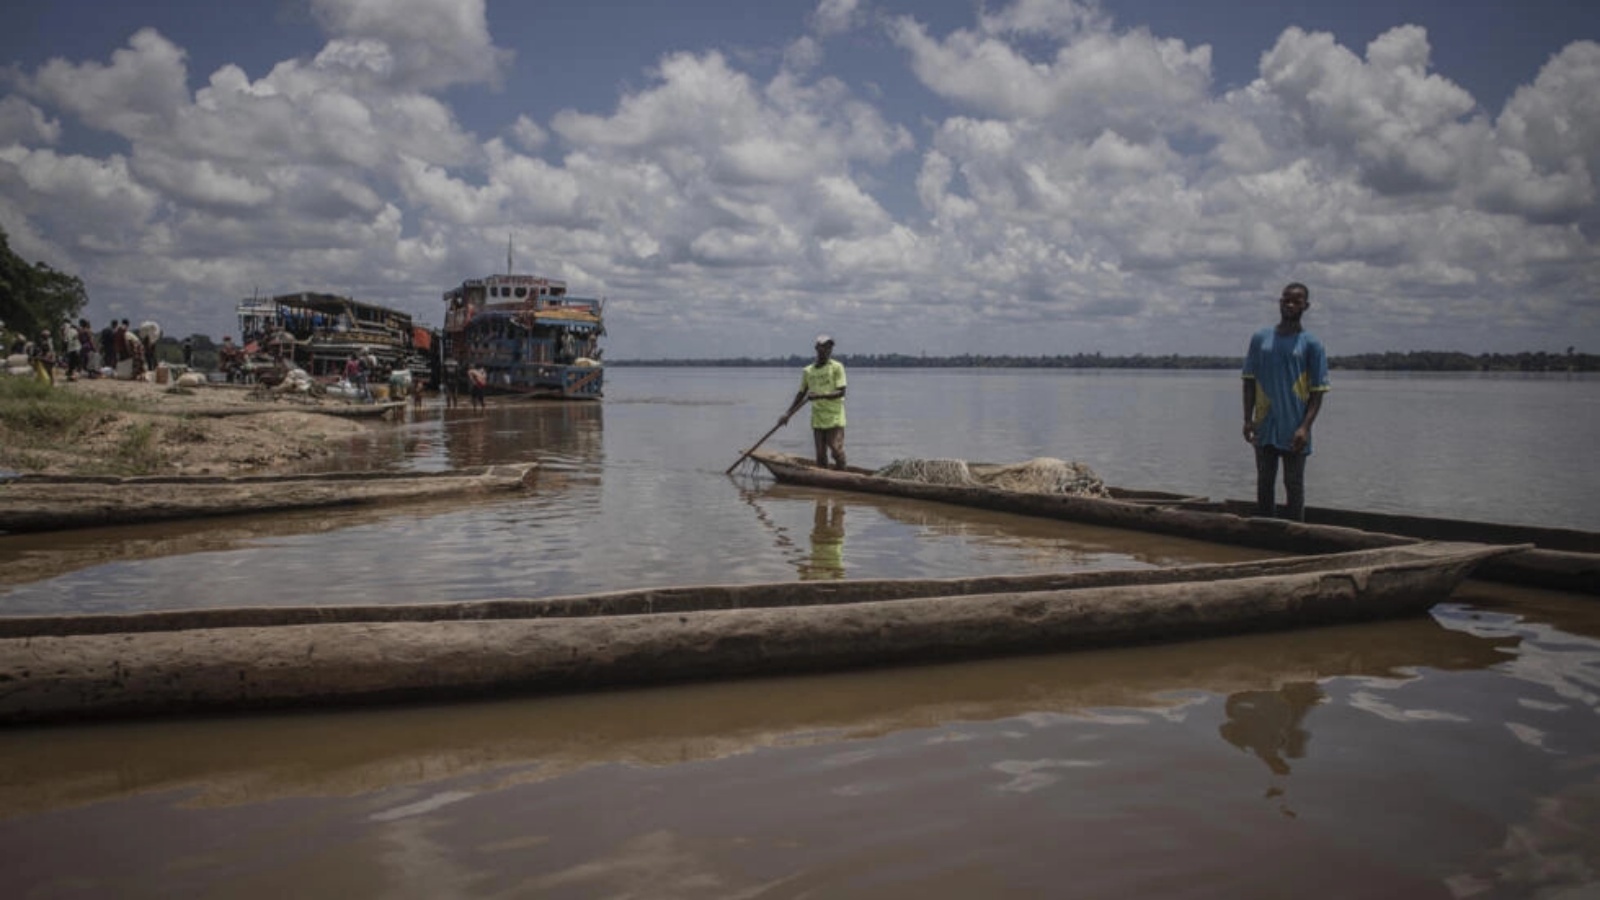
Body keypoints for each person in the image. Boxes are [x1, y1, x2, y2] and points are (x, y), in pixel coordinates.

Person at [1242, 282, 1329, 521]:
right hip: (1264, 423)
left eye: (1296, 301)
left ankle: (1296, 534)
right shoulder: (1261, 339)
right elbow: (1248, 380)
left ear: (1306, 306)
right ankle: (1264, 533)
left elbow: (1318, 391)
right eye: (1286, 300)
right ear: (1280, 302)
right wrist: (1247, 420)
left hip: (1295, 427)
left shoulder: (1312, 344)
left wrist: (1305, 427)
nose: (1290, 305)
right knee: (1265, 483)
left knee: (1294, 484)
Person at [780, 334, 848, 469]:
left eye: (830, 347)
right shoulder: (808, 371)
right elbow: (801, 393)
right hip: (818, 417)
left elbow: (841, 392)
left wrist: (819, 395)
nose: (828, 350)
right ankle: (823, 480)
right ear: (817, 348)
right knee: (820, 454)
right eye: (824, 346)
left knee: (836, 449)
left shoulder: (837, 367)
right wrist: (788, 414)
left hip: (835, 416)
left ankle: (843, 472)